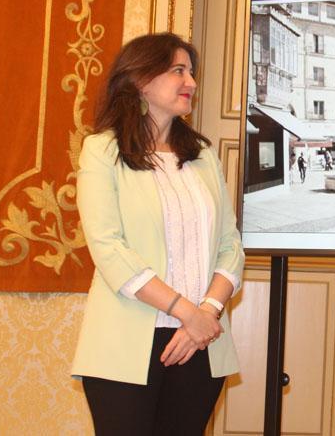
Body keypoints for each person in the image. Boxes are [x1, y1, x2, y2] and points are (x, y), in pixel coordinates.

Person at [71, 33, 245, 435]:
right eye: (178, 71)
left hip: (200, 344)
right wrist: (189, 313)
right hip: (126, 344)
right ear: (140, 80)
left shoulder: (203, 156)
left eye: (191, 72)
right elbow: (109, 247)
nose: (192, 82)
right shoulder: (102, 151)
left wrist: (207, 314)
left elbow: (230, 246)